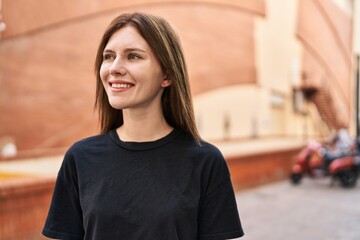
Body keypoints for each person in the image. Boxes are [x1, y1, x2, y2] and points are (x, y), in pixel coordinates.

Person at [42, 12, 244, 240]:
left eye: (133, 56)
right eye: (108, 56)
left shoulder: (205, 161)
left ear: (166, 74)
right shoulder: (80, 158)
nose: (114, 68)